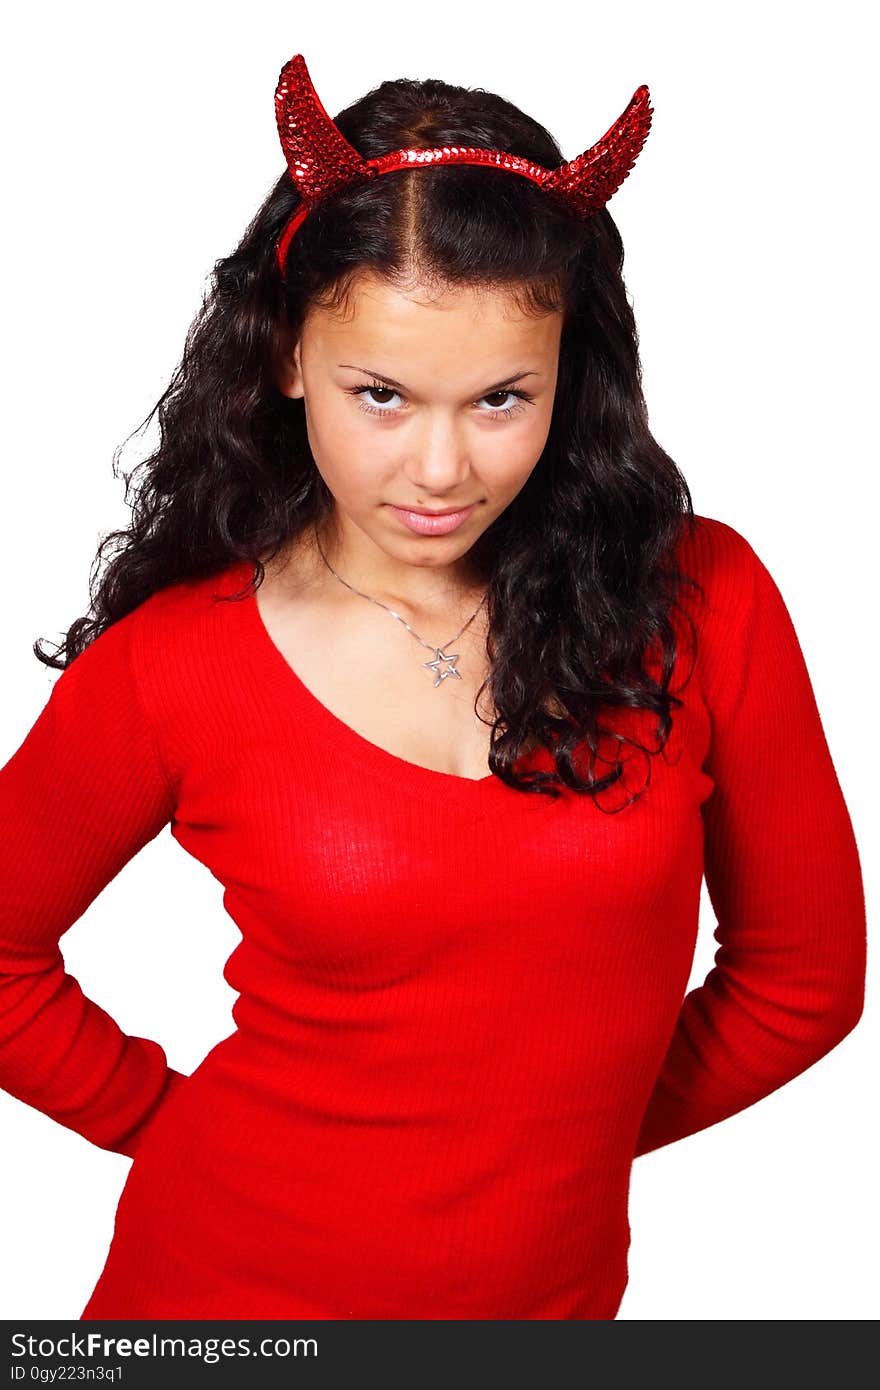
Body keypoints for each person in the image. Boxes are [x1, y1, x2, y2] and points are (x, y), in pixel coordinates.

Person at [0, 53, 866, 1321]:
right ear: (289, 358)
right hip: (215, 1301)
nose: (440, 466)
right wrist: (169, 1127)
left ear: (572, 373)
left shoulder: (706, 597)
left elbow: (804, 985)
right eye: (382, 395)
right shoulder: (175, 662)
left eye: (502, 396)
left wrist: (547, 1150)